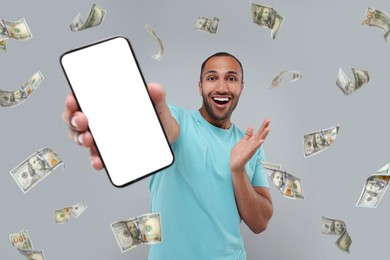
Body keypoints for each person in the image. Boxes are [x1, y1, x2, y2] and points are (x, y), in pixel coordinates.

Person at [62, 52, 273, 259]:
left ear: (241, 88)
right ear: (200, 86)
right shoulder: (178, 118)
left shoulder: (250, 146)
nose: (221, 87)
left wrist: (237, 171)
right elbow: (167, 130)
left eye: (231, 78)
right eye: (211, 78)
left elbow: (260, 223)